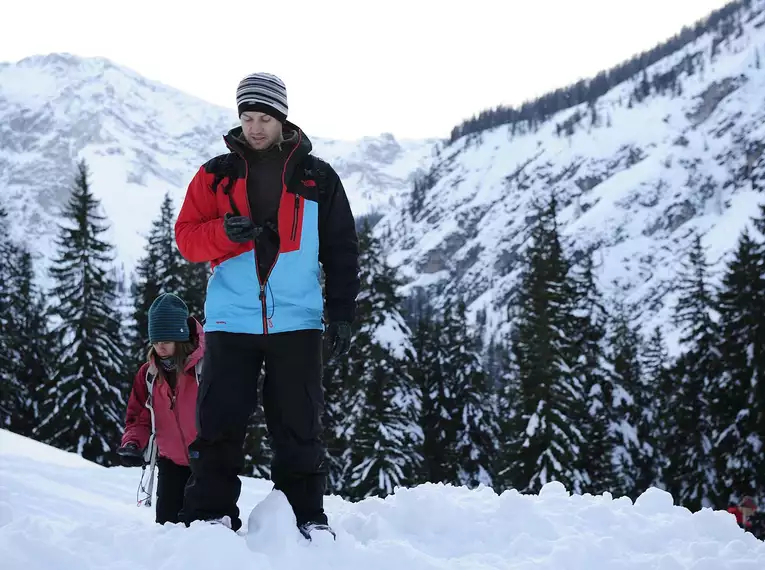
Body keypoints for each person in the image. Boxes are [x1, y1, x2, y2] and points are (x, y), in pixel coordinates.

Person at [174, 72, 360, 539]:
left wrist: (340, 312)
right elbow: (186, 238)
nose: (255, 127)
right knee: (218, 423)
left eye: (265, 118)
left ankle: (306, 517)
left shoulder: (318, 176)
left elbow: (341, 247)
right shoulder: (215, 173)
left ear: (282, 119)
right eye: (248, 117)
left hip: (297, 321)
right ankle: (209, 517)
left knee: (299, 426)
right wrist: (222, 234)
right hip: (229, 320)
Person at [116, 293, 205, 525]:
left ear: (181, 337)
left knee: (206, 533)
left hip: (207, 463)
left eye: (165, 340)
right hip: (170, 463)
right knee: (168, 530)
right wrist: (133, 443)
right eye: (155, 341)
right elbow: (138, 417)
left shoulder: (204, 368)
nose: (159, 347)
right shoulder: (149, 374)